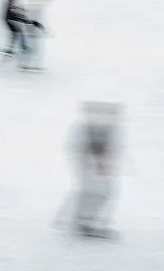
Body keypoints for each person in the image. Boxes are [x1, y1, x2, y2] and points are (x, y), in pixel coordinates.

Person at [71, 102, 121, 238]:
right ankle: (84, 222)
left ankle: (85, 221)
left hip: (95, 165)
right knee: (96, 191)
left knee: (101, 191)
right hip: (91, 165)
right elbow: (85, 147)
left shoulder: (105, 129)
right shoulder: (90, 128)